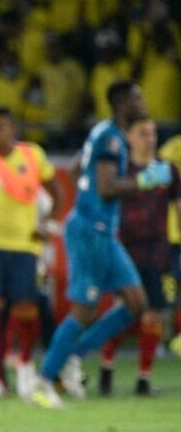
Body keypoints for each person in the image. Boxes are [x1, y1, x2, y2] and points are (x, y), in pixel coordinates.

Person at [31, 81, 172, 409]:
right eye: (138, 97)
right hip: (91, 232)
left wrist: (90, 191)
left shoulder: (105, 133)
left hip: (103, 232)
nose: (143, 102)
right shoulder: (110, 137)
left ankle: (72, 356)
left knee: (136, 302)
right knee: (84, 310)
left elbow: (78, 168)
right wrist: (147, 179)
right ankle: (44, 380)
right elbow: (108, 188)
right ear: (124, 104)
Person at [0, 107, 62, 401]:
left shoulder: (32, 155)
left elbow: (56, 190)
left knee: (26, 309)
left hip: (26, 245)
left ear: (13, 129)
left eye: (1, 127)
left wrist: (50, 224)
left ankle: (25, 365)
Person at [99, 118, 180, 396]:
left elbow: (178, 209)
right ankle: (106, 369)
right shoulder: (119, 169)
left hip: (158, 250)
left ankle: (143, 378)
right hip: (124, 249)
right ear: (129, 138)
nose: (150, 138)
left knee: (154, 314)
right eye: (143, 133)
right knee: (122, 310)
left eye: (153, 133)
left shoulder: (168, 171)